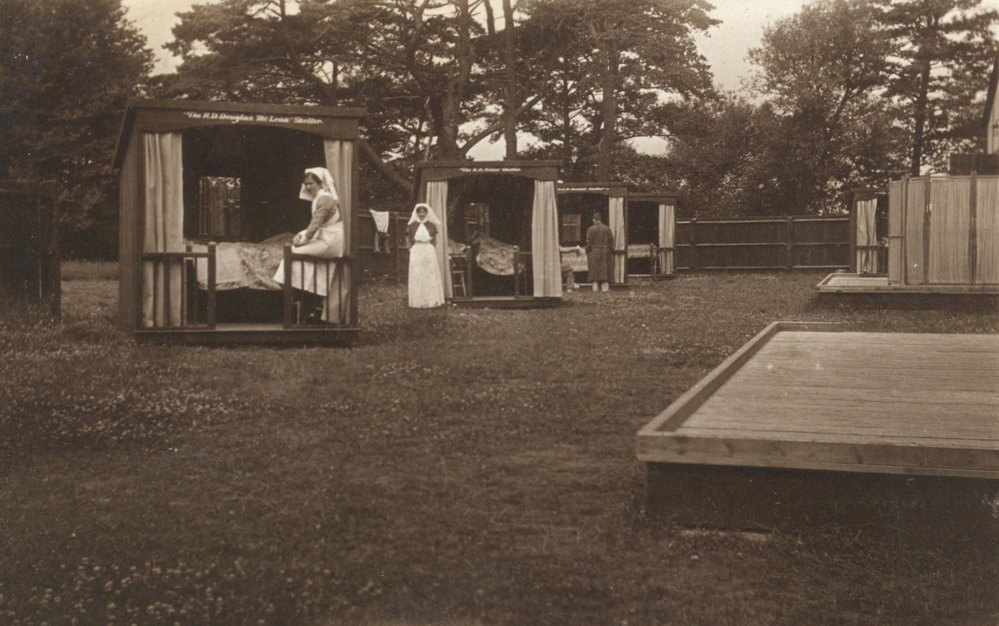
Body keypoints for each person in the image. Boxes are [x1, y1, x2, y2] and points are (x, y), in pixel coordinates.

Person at [273, 167, 345, 321]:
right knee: (302, 260)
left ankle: (302, 297)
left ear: (320, 184)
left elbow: (316, 223)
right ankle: (310, 299)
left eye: (311, 183)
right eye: (305, 184)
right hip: (326, 237)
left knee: (290, 254)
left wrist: (304, 240)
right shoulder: (319, 198)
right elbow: (314, 226)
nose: (307, 187)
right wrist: (301, 236)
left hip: (332, 241)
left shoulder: (325, 198)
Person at [406, 203, 445, 308]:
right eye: (419, 212)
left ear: (427, 213)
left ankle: (432, 301)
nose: (421, 214)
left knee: (429, 273)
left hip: (428, 250)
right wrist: (410, 248)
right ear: (416, 213)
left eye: (423, 211)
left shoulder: (431, 225)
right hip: (417, 250)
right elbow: (408, 238)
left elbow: (435, 240)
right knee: (417, 273)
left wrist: (431, 248)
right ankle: (418, 301)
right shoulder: (412, 225)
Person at [585, 211, 614, 292]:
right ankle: (605, 287)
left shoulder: (590, 229)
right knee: (604, 269)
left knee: (594, 270)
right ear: (600, 219)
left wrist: (588, 250)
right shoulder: (607, 229)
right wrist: (609, 249)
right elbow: (611, 241)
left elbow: (588, 242)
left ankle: (595, 287)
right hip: (605, 251)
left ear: (594, 219)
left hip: (594, 251)